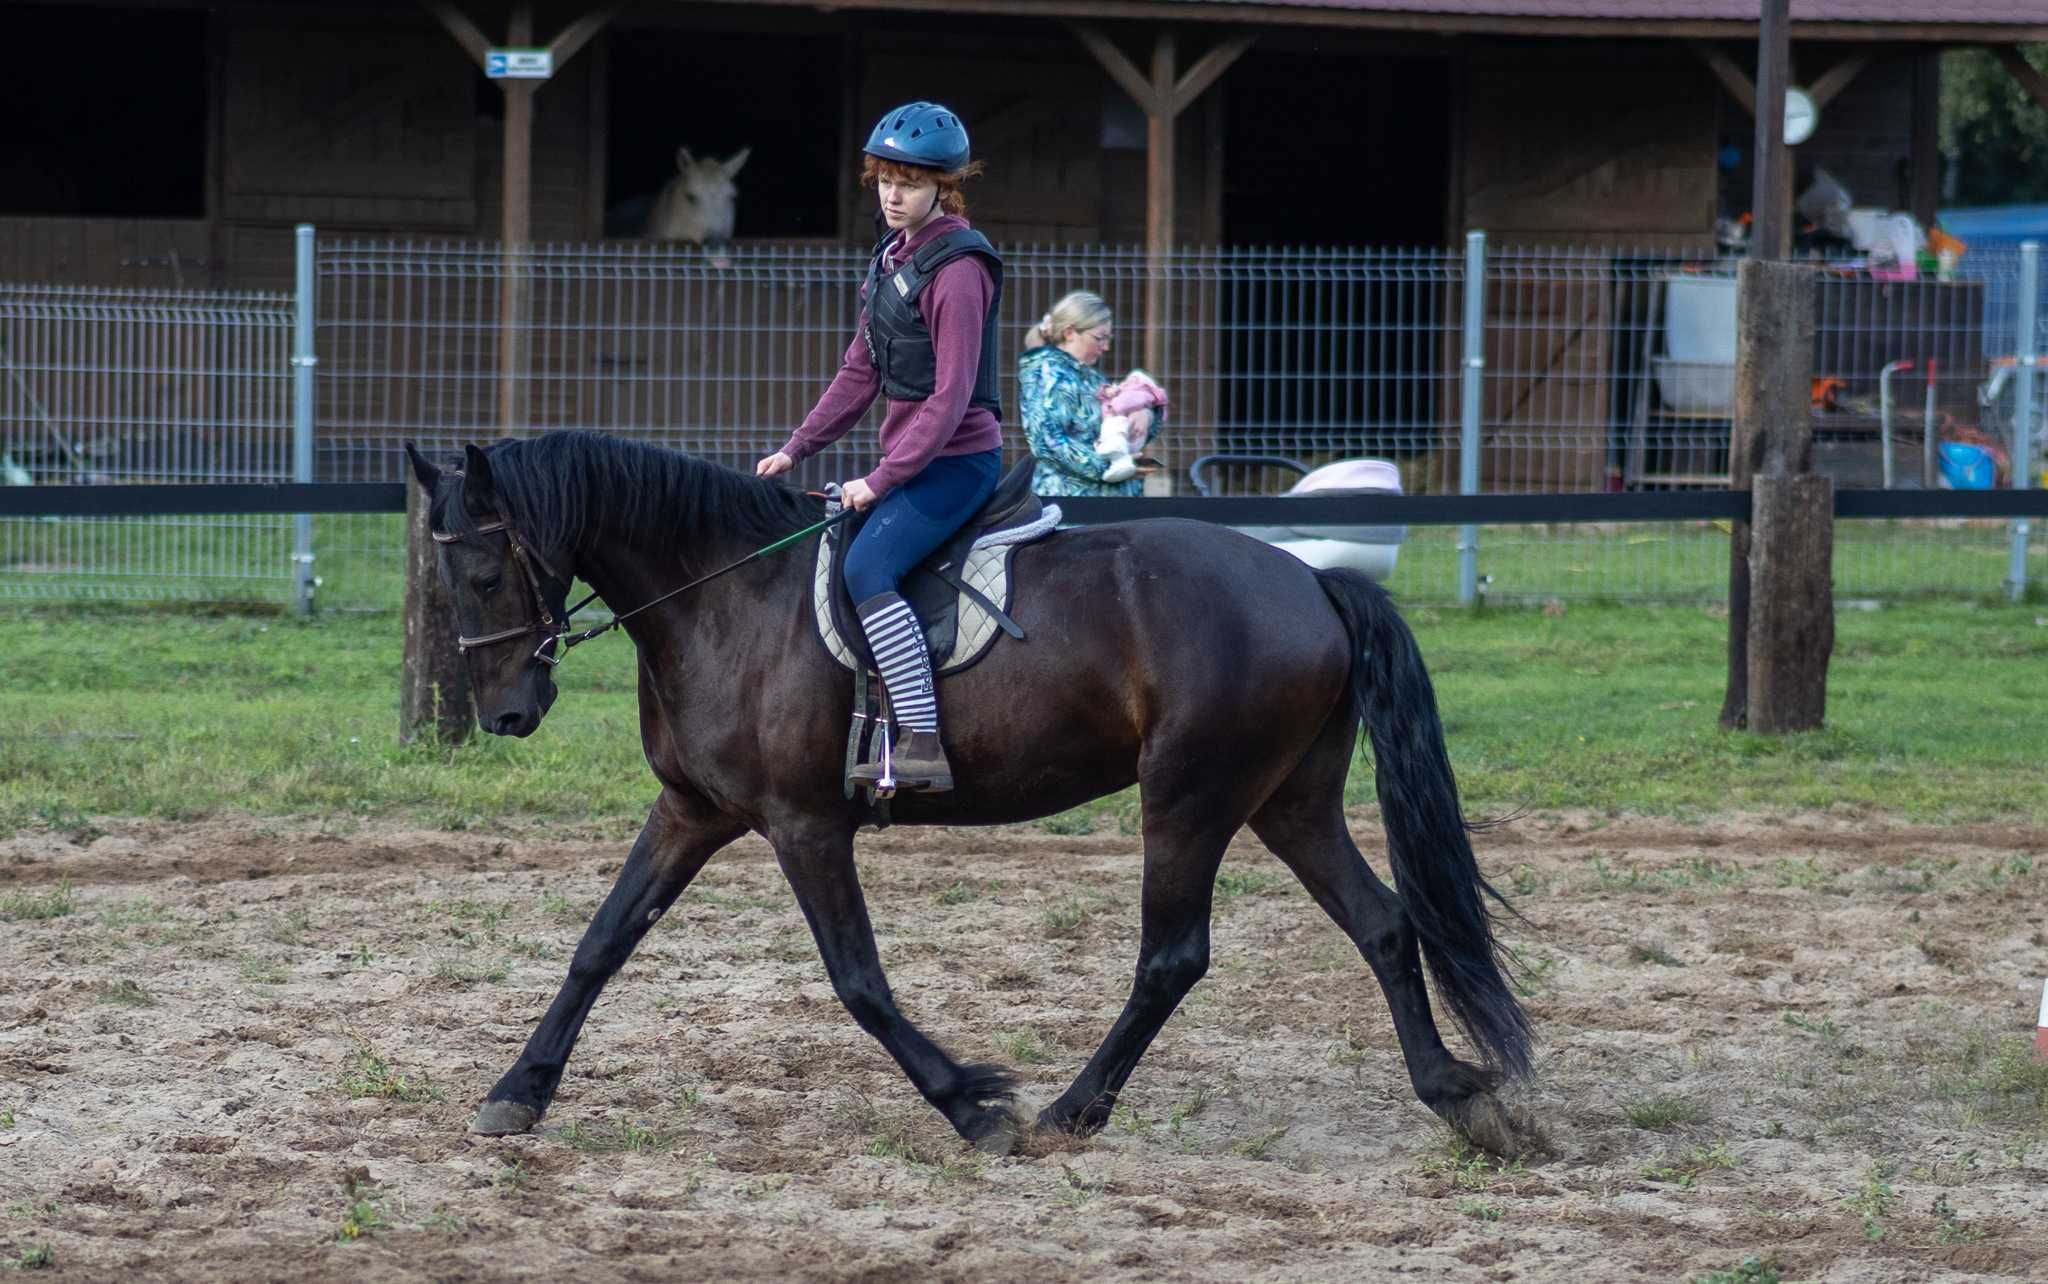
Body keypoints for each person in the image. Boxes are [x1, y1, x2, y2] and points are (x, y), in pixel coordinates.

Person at [754, 101, 1001, 794]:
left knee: (868, 569)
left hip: (957, 462)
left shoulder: (958, 269)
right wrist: (797, 448)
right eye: (885, 179)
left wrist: (883, 478)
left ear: (945, 188)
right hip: (918, 461)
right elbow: (860, 370)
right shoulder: (893, 256)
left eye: (911, 182)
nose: (894, 194)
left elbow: (950, 398)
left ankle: (922, 740)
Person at [1018, 291, 1165, 498]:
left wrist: (1145, 415)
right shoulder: (1047, 374)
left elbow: (1120, 430)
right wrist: (1111, 467)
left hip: (1103, 503)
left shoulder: (1092, 378)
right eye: (1099, 338)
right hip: (1071, 505)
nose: (1106, 347)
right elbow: (1048, 443)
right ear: (1069, 333)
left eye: (1108, 338)